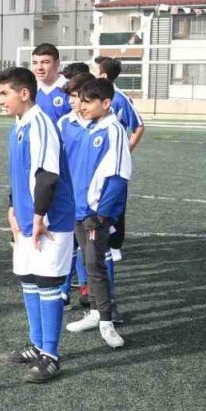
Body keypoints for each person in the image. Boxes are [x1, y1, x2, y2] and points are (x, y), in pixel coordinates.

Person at [0, 67, 75, 383]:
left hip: (50, 220)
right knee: (29, 278)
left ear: (24, 93)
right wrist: (13, 207)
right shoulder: (19, 125)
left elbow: (47, 175)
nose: (1, 100)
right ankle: (38, 346)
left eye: (4, 93)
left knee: (48, 283)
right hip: (27, 219)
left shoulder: (41, 123)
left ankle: (51, 356)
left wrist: (40, 216)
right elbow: (20, 172)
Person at [63, 78, 130, 349]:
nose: (83, 105)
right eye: (82, 100)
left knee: (95, 263)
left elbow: (118, 176)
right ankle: (93, 313)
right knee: (84, 263)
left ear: (106, 103)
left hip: (93, 213)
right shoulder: (86, 128)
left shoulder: (113, 130)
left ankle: (106, 321)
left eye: (89, 101)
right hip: (76, 209)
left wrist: (101, 214)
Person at [91, 56, 145, 269]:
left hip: (112, 159)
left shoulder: (120, 97)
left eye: (95, 69)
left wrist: (127, 149)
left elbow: (139, 126)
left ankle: (114, 245)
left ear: (103, 74)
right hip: (94, 155)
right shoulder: (91, 96)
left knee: (114, 199)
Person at [57, 73, 95, 307]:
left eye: (75, 96)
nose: (71, 101)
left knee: (92, 249)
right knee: (66, 243)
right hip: (67, 195)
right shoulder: (64, 123)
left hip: (92, 198)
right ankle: (63, 290)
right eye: (69, 96)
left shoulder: (102, 123)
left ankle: (93, 293)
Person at [31, 43, 69, 122]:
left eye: (45, 62)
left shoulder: (71, 89)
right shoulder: (31, 90)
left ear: (57, 63)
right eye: (35, 63)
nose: (39, 67)